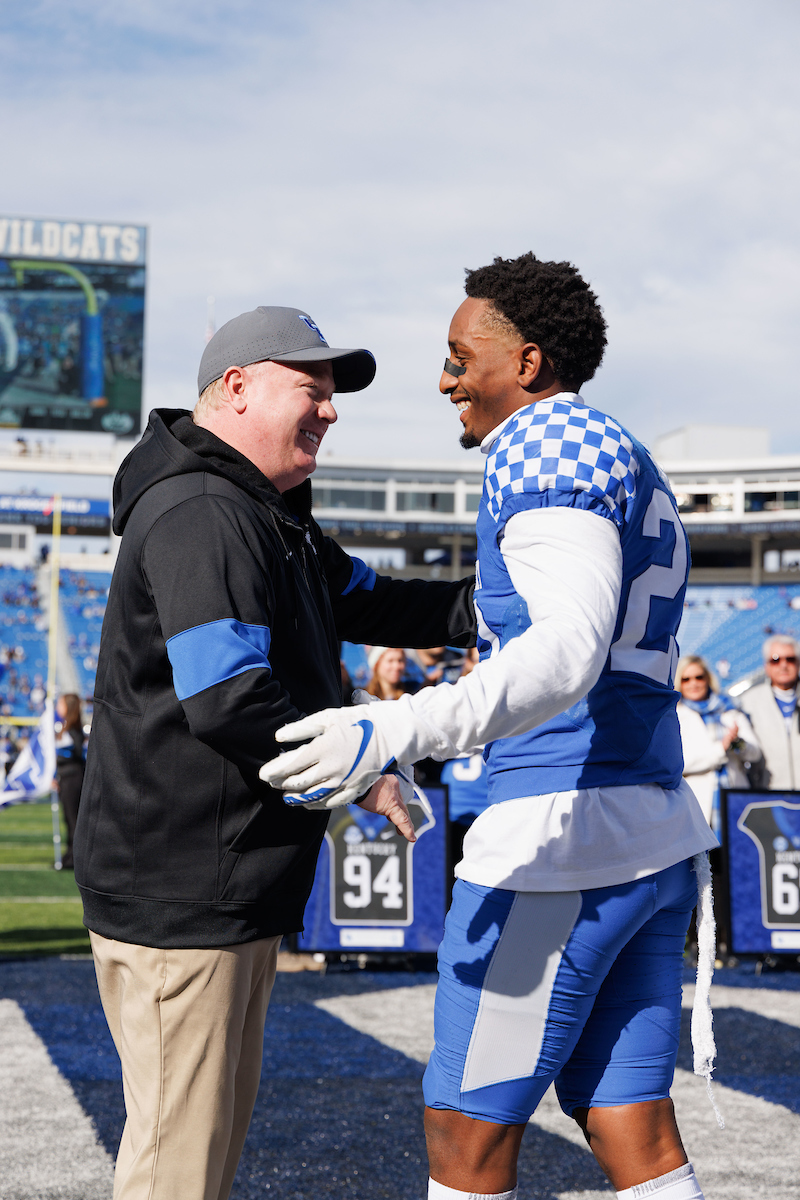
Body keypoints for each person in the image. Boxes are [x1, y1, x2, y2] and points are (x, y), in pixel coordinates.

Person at [263, 254, 718, 1200]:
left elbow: (566, 650)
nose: (446, 380)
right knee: (630, 1122)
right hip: (648, 825)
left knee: (465, 1133)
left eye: (460, 358)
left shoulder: (544, 439)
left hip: (561, 840)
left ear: (528, 362)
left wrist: (395, 728)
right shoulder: (614, 445)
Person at [74, 305, 476, 1200]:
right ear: (236, 388)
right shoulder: (204, 510)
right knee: (177, 1166)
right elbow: (228, 700)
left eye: (333, 393)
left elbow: (374, 601)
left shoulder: (263, 511)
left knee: (200, 1149)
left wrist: (496, 602)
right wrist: (364, 773)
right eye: (312, 387)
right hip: (185, 890)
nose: (330, 409)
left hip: (218, 885)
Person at [675, 655, 761, 830]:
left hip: (736, 799)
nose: (693, 683)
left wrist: (737, 743)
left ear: (708, 678)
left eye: (699, 677)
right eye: (686, 679)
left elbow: (755, 753)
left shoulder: (729, 710)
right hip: (697, 805)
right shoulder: (675, 716)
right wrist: (721, 749)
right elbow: (679, 762)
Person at [738, 636, 800, 788]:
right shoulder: (748, 702)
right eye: (775, 660)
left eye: (790, 659)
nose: (783, 665)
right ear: (766, 665)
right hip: (769, 793)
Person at [54, 692, 85, 869]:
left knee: (73, 819)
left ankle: (73, 859)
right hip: (66, 778)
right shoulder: (65, 728)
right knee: (68, 818)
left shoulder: (73, 730)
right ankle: (69, 856)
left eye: (60, 704)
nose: (58, 707)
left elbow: (77, 754)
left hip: (73, 778)